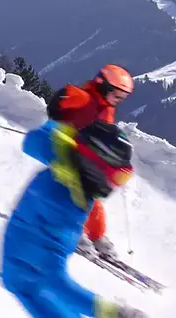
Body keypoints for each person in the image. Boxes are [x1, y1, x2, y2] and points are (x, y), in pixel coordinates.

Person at [0, 116, 149, 318]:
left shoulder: (66, 169)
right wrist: (113, 313)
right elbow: (53, 282)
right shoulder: (62, 205)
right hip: (29, 280)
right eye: (118, 177)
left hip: (30, 264)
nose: (117, 186)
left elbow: (52, 133)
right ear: (94, 165)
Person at [46, 64, 135, 260]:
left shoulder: (106, 108)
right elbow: (61, 104)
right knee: (73, 191)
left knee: (91, 194)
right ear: (104, 86)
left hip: (85, 156)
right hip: (65, 152)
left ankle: (96, 235)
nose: (119, 101)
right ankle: (70, 229)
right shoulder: (84, 98)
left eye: (123, 98)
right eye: (118, 95)